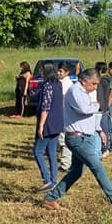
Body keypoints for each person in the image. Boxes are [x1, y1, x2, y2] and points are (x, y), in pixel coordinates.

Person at [43, 69, 112, 216]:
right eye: (94, 84)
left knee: (76, 172)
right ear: (84, 81)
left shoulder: (82, 92)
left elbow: (90, 115)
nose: (95, 87)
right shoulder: (75, 91)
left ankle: (51, 198)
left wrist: (98, 128)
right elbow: (85, 109)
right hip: (77, 139)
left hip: (83, 137)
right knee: (98, 168)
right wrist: (96, 105)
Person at [33, 62, 64, 192]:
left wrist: (41, 126)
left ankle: (47, 179)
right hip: (58, 122)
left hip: (48, 122)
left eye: (42, 71)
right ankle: (54, 180)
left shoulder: (47, 85)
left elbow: (45, 107)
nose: (40, 73)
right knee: (51, 152)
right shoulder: (58, 84)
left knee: (38, 151)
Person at [57, 62, 73, 171]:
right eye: (58, 71)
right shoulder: (61, 82)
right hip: (62, 114)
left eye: (61, 71)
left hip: (64, 114)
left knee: (64, 139)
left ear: (67, 72)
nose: (58, 73)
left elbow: (63, 100)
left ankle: (65, 163)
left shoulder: (66, 83)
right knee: (61, 139)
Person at [95, 61, 111, 158]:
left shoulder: (101, 82)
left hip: (101, 109)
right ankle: (106, 147)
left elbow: (99, 96)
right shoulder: (109, 80)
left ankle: (104, 148)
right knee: (105, 129)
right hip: (105, 107)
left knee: (102, 129)